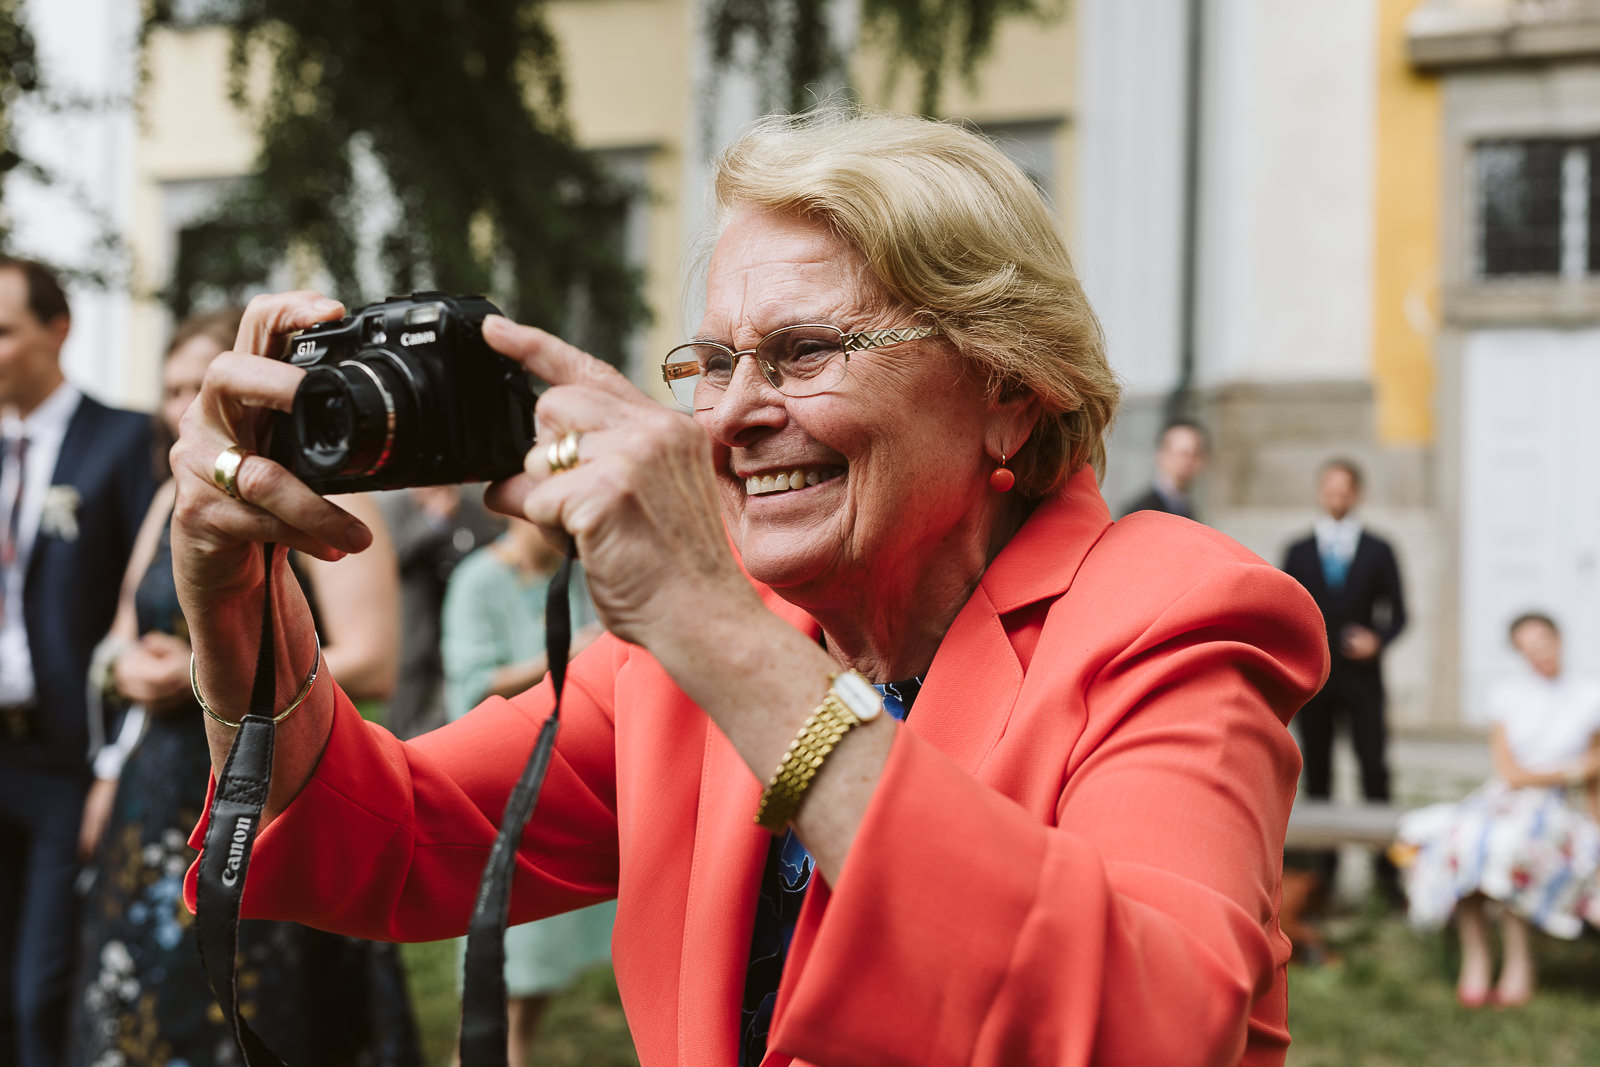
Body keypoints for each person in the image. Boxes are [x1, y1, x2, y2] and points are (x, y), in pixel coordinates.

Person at [171, 110, 1328, 1066]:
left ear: (1008, 389)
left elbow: (1152, 1031)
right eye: (712, 363)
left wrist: (710, 626)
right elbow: (388, 842)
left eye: (804, 351)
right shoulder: (702, 653)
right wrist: (236, 603)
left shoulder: (1175, 615)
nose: (732, 414)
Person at [70, 309, 419, 1066]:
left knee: (263, 1008)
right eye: (173, 389)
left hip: (267, 785)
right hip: (157, 789)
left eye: (203, 383)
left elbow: (374, 655)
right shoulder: (172, 495)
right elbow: (126, 629)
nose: (185, 404)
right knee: (143, 1005)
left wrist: (207, 675)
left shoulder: (329, 484)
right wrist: (125, 669)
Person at [0, 256, 158, 1067]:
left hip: (66, 755)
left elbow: (151, 606)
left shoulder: (124, 439)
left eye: (2, 331)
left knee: (41, 990)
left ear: (58, 330)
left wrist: (110, 765)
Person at [440, 516, 610, 1064]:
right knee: (501, 973)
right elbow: (470, 684)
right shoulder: (478, 581)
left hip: (566, 788)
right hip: (503, 796)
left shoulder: (579, 571)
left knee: (536, 978)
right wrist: (565, 651)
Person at [1393, 612, 1600, 1008]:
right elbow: (1511, 772)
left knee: (1512, 847)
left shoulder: (1589, 696)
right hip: (1504, 797)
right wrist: (1569, 769)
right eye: (1528, 649)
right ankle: (1478, 957)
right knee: (1465, 841)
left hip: (1556, 806)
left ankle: (1519, 962)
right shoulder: (1507, 695)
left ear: (1559, 639)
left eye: (1543, 644)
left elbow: (1594, 775)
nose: (1538, 654)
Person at [1282, 457, 1407, 902]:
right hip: (1316, 681)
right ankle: (1322, 879)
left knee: (1374, 769)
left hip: (1363, 680)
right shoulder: (1298, 550)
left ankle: (1389, 876)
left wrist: (1378, 639)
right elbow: (1286, 610)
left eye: (1344, 489)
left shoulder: (1379, 548)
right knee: (1318, 775)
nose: (1336, 496)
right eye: (1329, 488)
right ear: (1320, 491)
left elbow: (1400, 614)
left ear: (1357, 494)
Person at [380, 485, 505, 738]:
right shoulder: (395, 506)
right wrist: (435, 522)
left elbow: (489, 544)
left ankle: (436, 753)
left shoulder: (469, 506)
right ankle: (399, 757)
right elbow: (392, 557)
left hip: (456, 620)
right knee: (405, 705)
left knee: (448, 702)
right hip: (412, 625)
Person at [1120, 417, 1208, 520]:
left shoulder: (1184, 507)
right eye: (1182, 454)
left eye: (1195, 454)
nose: (1187, 462)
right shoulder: (1142, 511)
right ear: (1160, 454)